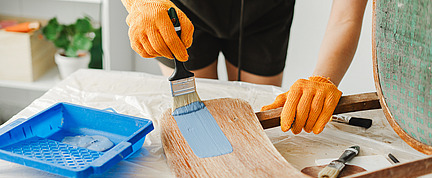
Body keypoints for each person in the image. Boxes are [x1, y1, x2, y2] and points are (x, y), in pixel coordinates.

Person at [121, 0, 368, 135]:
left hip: (266, 13)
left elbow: (347, 15)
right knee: (195, 122)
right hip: (181, 11)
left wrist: (324, 78)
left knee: (254, 122)